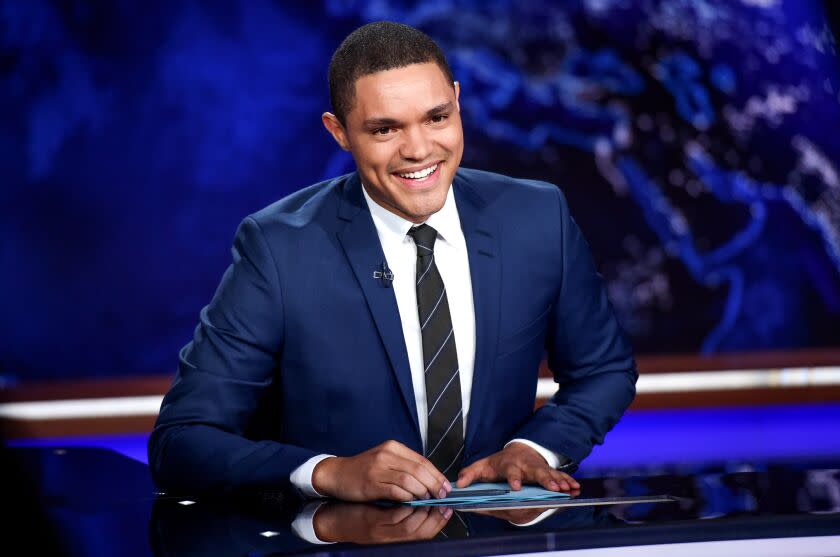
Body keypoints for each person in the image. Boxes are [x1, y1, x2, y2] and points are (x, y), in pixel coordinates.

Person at [148, 21, 637, 503]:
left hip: (493, 539)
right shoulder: (278, 248)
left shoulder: (536, 216)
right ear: (338, 132)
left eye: (437, 118)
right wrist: (330, 473)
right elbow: (183, 441)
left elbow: (604, 370)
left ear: (457, 101)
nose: (419, 149)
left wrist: (534, 448)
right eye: (385, 129)